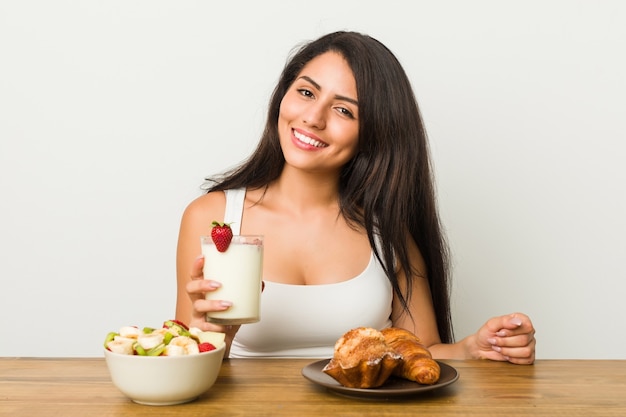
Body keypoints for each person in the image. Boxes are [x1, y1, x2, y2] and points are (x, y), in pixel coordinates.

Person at [175, 31, 536, 364]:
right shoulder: (214, 217)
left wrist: (473, 349)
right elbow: (182, 358)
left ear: (374, 134)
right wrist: (207, 336)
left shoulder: (387, 234)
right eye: (306, 92)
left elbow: (422, 353)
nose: (313, 118)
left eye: (344, 110)